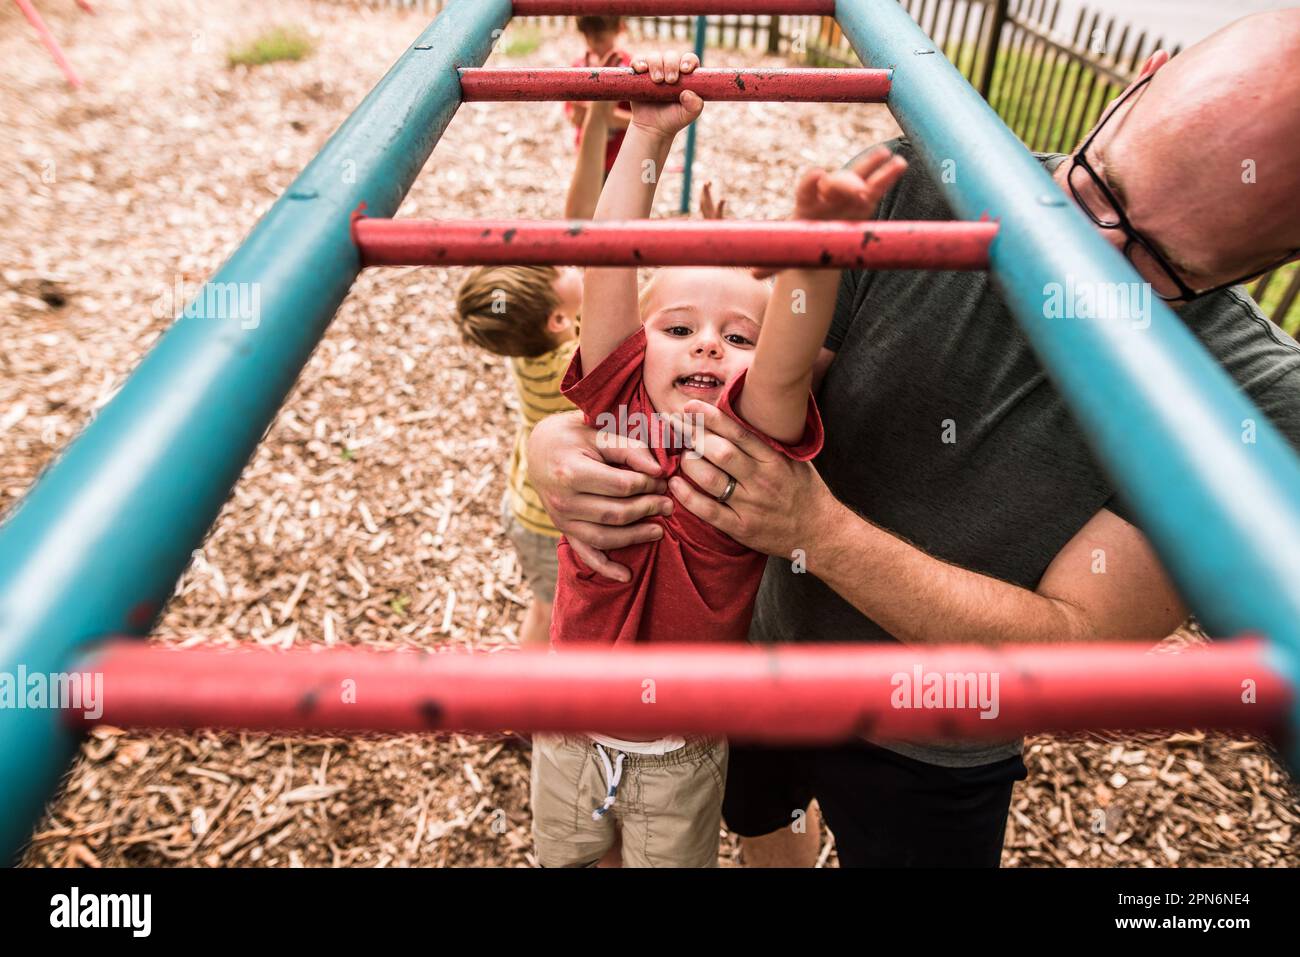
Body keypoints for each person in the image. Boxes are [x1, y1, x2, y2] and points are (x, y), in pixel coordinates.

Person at [525, 10, 1300, 867]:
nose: (1087, 254)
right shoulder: (920, 182)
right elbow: (750, 387)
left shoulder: (1254, 400)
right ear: (1139, 80)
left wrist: (819, 532)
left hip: (936, 738)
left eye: (1154, 260)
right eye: (1097, 191)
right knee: (759, 820)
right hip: (758, 652)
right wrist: (569, 437)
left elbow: (1083, 646)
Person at [530, 50, 903, 868]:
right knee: (570, 857)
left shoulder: (747, 441)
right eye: (678, 328)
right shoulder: (620, 398)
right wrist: (651, 134)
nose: (708, 341)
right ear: (636, 344)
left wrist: (821, 249)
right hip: (566, 720)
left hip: (680, 746)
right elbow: (608, 260)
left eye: (737, 336)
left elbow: (788, 354)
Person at [452, 101, 615, 646]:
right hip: (551, 522)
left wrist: (594, 123)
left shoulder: (534, 347)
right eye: (562, 272)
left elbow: (579, 227)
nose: (571, 264)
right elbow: (590, 228)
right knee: (550, 615)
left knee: (546, 605)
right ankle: (525, 709)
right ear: (559, 319)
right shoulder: (573, 360)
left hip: (527, 506)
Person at [565, 16, 634, 178]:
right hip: (588, 157)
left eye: (600, 39)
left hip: (621, 160)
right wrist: (579, 115)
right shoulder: (579, 68)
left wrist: (604, 115)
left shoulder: (629, 69)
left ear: (619, 29)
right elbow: (573, 117)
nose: (592, 45)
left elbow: (641, 120)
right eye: (586, 38)